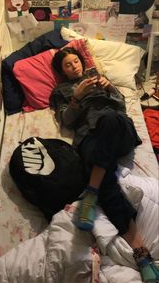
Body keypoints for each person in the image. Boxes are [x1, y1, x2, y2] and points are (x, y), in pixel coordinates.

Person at [50, 47, 159, 282]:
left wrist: (110, 88)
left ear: (82, 61)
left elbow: (120, 106)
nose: (74, 66)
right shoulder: (60, 91)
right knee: (106, 179)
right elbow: (66, 122)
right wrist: (77, 98)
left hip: (120, 130)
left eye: (76, 61)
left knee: (110, 118)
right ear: (62, 72)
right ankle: (142, 256)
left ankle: (90, 192)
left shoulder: (98, 77)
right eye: (67, 65)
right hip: (89, 137)